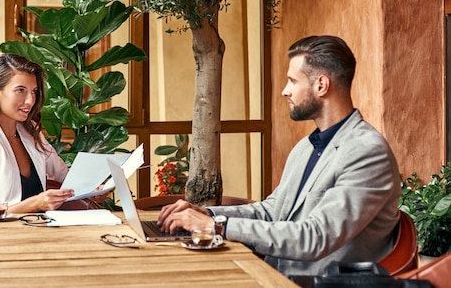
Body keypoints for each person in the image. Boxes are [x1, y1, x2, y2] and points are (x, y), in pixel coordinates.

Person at [157, 35, 401, 276]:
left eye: (292, 81)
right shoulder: (307, 147)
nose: (285, 91)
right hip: (272, 276)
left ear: (321, 85)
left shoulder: (367, 152)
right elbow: (271, 212)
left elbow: (314, 237)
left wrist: (217, 226)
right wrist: (207, 214)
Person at [0, 53, 74, 215]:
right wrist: (34, 204)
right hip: (2, 237)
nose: (30, 100)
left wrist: (94, 188)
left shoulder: (30, 130)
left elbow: (62, 174)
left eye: (33, 91)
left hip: (40, 231)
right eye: (20, 90)